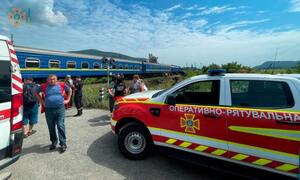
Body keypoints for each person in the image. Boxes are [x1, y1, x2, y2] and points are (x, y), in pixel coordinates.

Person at [35, 74, 72, 153]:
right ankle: (54, 142)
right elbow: (36, 92)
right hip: (49, 110)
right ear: (47, 80)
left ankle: (63, 143)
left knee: (60, 125)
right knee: (51, 127)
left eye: (54, 79)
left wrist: (68, 99)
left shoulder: (61, 84)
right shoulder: (43, 86)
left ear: (56, 79)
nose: (52, 81)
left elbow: (70, 90)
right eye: (50, 79)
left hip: (60, 109)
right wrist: (42, 101)